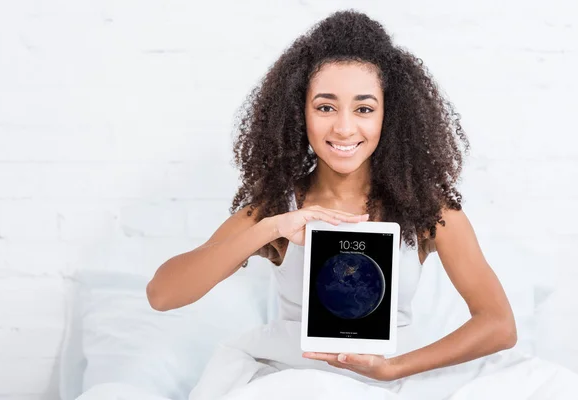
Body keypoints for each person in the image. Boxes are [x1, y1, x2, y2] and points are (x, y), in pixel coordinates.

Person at [146, 9, 520, 387]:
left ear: (389, 116)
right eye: (325, 107)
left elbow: (499, 325)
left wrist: (393, 368)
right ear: (299, 113)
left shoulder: (426, 210)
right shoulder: (276, 208)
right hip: (293, 381)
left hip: (392, 382)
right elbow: (162, 295)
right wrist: (269, 229)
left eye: (364, 109)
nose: (343, 127)